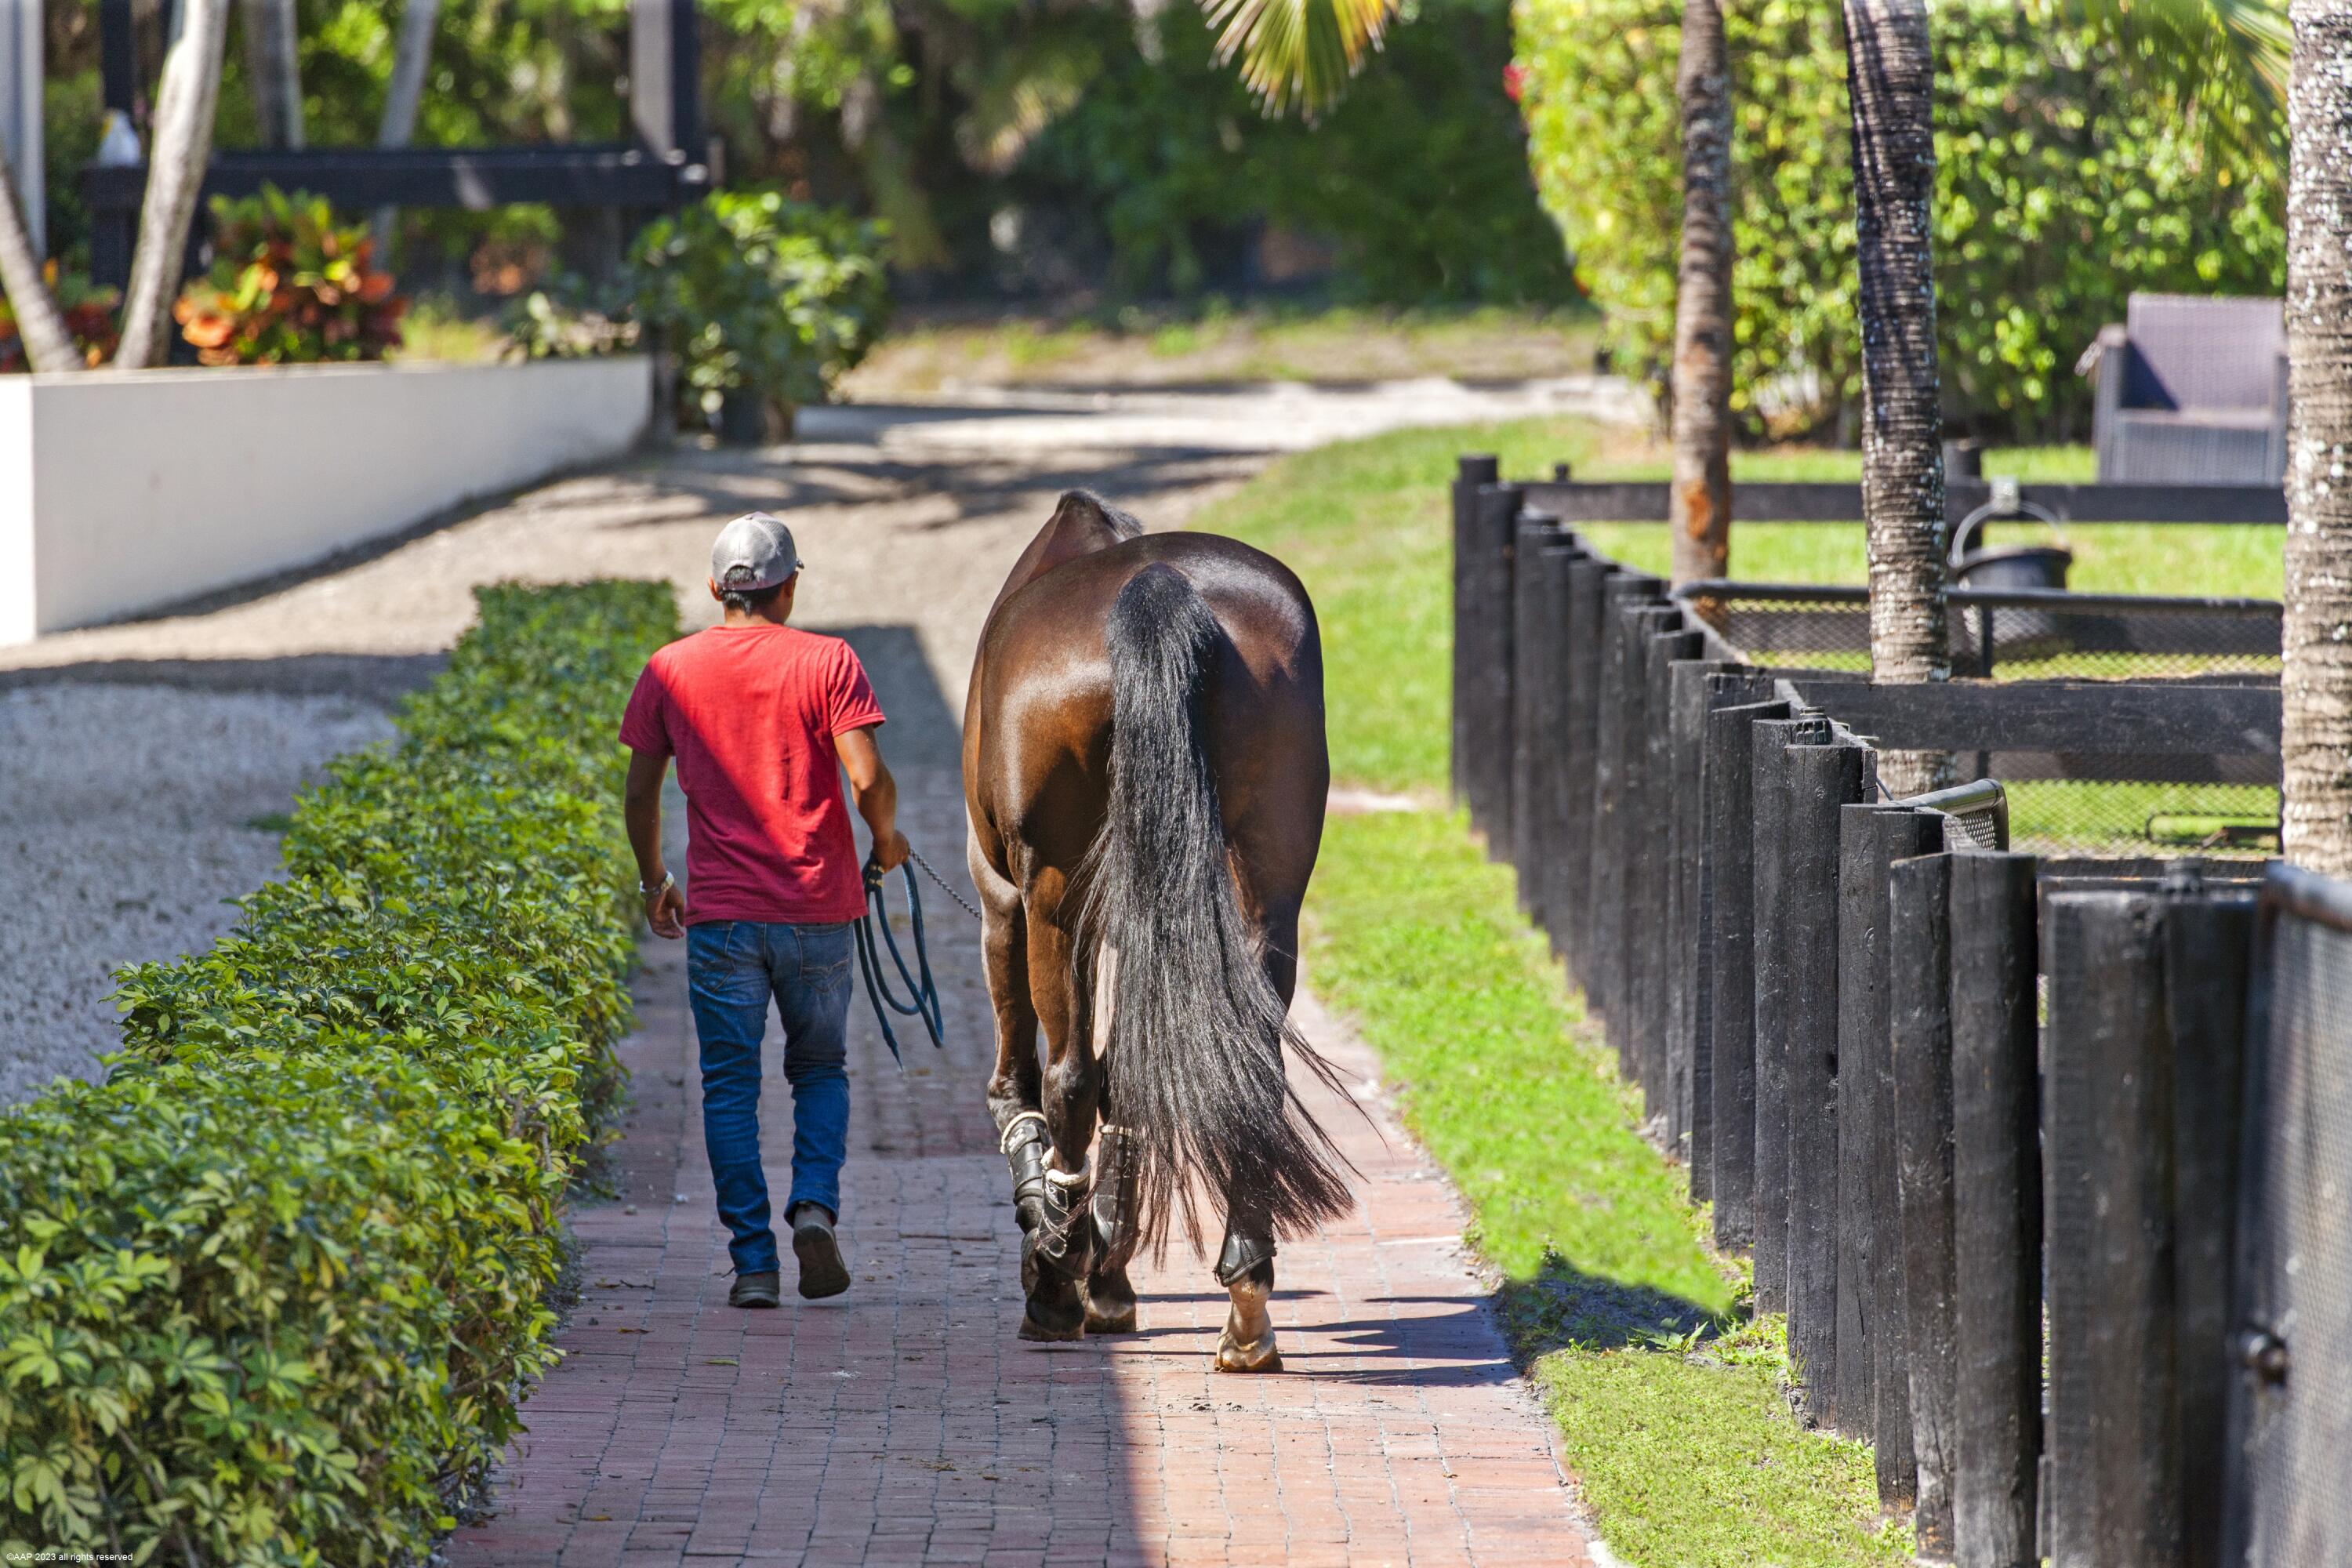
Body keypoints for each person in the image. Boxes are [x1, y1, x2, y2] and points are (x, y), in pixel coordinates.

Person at [619, 512, 909, 1308]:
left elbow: (640, 794)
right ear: (788, 589)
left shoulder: (669, 668)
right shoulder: (828, 660)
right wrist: (886, 841)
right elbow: (867, 778)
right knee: (818, 1067)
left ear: (716, 588)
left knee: (728, 1085)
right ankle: (813, 1206)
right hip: (816, 909)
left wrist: (654, 881)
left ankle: (753, 1262)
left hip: (721, 919)